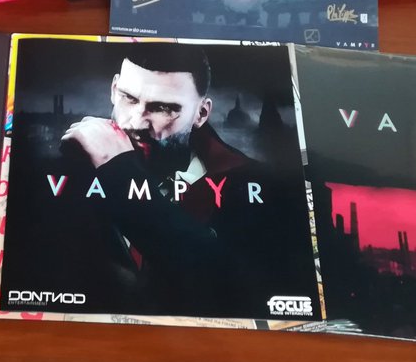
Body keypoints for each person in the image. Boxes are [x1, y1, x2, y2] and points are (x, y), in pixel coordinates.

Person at [40, 44, 310, 317]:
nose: (136, 122)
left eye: (163, 108)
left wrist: (119, 169)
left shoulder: (264, 187)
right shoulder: (64, 170)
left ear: (200, 114)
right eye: (128, 98)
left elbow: (237, 286)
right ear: (113, 89)